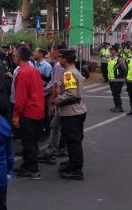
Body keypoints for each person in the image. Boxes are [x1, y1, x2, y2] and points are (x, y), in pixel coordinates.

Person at [12, 46, 44, 180]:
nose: (13, 57)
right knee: (32, 141)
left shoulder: (23, 72)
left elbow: (21, 98)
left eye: (14, 55)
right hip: (38, 110)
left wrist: (16, 115)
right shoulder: (34, 70)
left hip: (29, 112)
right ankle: (27, 165)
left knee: (28, 141)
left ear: (19, 57)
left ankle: (32, 169)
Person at [55, 49, 87, 180]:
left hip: (71, 112)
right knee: (71, 140)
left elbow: (70, 93)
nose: (58, 60)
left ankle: (76, 170)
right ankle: (72, 163)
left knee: (74, 142)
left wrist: (56, 100)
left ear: (65, 59)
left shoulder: (69, 73)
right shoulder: (72, 71)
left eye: (60, 58)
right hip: (74, 110)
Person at [108, 45, 127, 113]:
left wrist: (124, 77)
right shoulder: (110, 58)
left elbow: (124, 69)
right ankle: (116, 106)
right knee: (114, 93)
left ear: (115, 51)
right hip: (111, 79)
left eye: (112, 50)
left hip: (118, 79)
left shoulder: (119, 59)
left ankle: (119, 107)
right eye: (110, 49)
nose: (110, 51)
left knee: (116, 93)